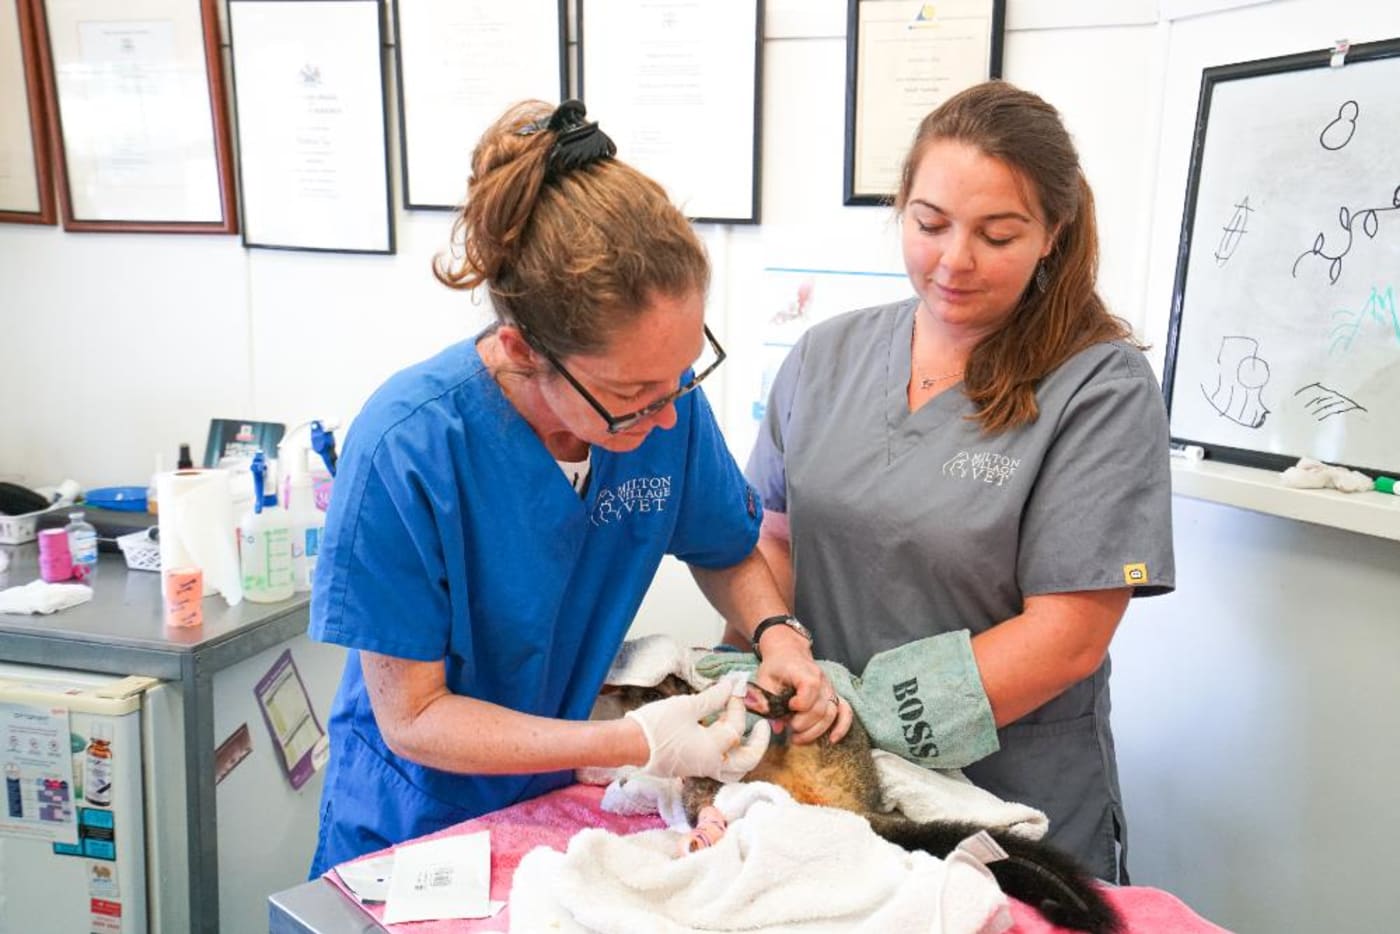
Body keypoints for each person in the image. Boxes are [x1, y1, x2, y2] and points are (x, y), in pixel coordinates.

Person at [307, 99, 848, 877]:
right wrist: (637, 743)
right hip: (415, 824)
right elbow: (415, 718)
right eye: (634, 397)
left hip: (551, 802)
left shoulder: (665, 405)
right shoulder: (410, 447)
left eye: (683, 376)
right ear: (524, 349)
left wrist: (779, 637)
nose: (666, 419)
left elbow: (726, 547)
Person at [739, 80, 1175, 882]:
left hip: (1009, 806)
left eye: (998, 235)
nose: (954, 261)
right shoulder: (825, 357)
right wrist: (762, 668)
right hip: (824, 794)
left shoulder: (1099, 388)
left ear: (1054, 232)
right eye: (929, 224)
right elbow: (773, 540)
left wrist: (857, 721)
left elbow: (1069, 634)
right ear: (900, 206)